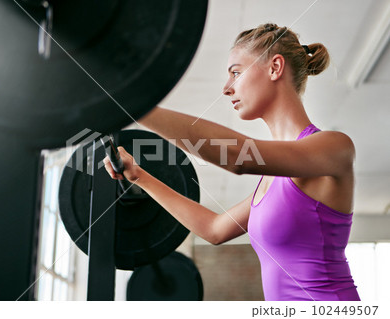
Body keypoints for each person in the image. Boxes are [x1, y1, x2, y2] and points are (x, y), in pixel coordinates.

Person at [103, 23, 360, 301]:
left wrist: (135, 106)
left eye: (236, 73)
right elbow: (213, 230)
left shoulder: (335, 148)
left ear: (275, 67)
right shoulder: (272, 182)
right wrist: (139, 176)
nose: (227, 88)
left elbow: (239, 158)